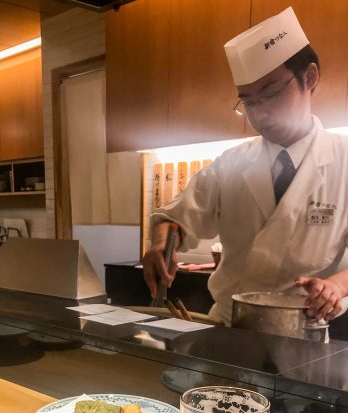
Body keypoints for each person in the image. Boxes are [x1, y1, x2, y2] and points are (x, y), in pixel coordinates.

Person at [143, 7, 348, 326]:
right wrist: (161, 243)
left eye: (271, 93)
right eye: (248, 101)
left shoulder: (344, 160)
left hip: (302, 329)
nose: (259, 113)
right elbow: (176, 216)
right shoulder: (233, 162)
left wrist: (335, 285)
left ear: (309, 78)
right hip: (227, 325)